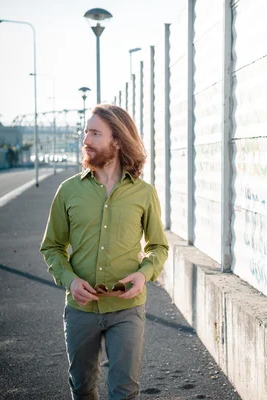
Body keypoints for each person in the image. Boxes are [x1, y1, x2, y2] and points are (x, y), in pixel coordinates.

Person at [40, 104, 169, 400]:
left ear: (117, 140)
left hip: (127, 308)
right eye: (86, 132)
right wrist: (70, 280)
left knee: (124, 392)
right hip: (80, 310)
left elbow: (158, 246)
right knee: (82, 388)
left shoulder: (143, 193)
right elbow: (52, 247)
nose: (86, 139)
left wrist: (143, 274)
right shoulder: (68, 191)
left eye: (95, 133)